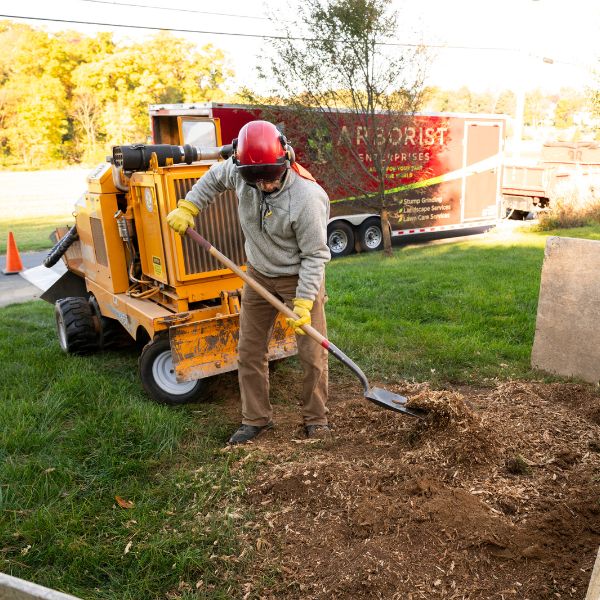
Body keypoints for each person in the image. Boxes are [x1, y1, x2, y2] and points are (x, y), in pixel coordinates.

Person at [167, 120, 331, 444]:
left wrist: (303, 301)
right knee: (249, 350)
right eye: (256, 180)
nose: (266, 186)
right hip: (256, 274)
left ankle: (317, 418)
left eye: (271, 178)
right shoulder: (244, 172)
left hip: (298, 277)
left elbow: (315, 256)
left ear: (284, 160)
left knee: (311, 352)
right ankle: (255, 419)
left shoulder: (307, 198)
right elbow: (214, 177)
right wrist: (189, 205)